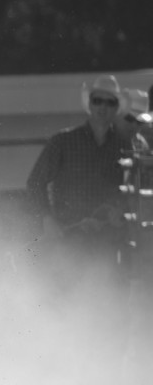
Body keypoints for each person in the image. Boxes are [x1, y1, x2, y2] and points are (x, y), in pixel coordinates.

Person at [26, 74, 132, 272]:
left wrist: (120, 209)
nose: (103, 107)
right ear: (90, 104)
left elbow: (130, 189)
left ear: (116, 108)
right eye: (98, 100)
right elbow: (35, 183)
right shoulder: (62, 141)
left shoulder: (124, 146)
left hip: (106, 239)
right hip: (68, 235)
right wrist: (48, 220)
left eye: (110, 102)